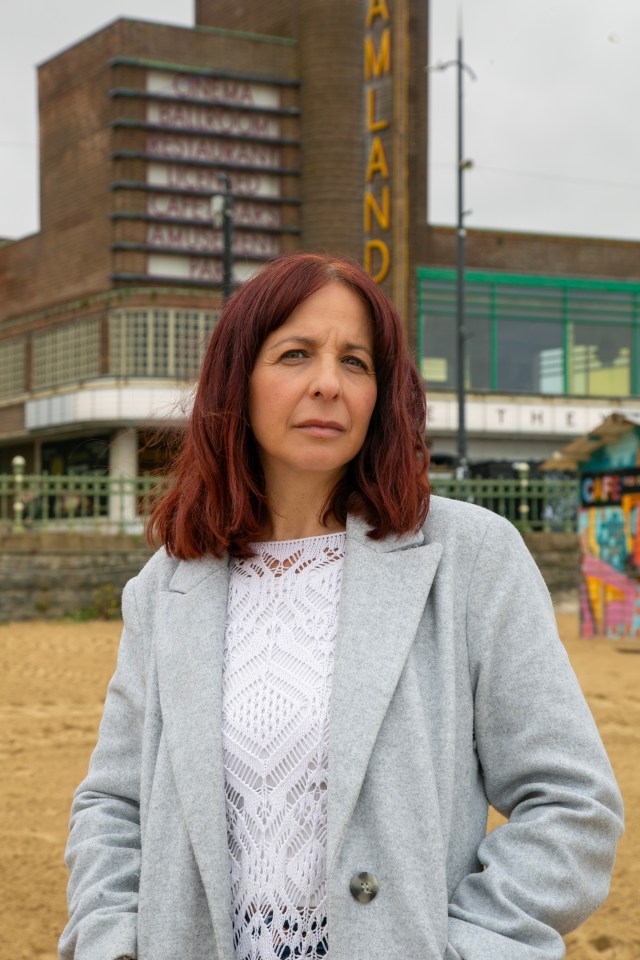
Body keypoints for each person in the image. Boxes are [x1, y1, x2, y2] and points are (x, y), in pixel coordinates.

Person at [60, 252, 623, 960]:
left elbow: (573, 805)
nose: (328, 383)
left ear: (382, 394)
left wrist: (470, 948)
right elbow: (112, 808)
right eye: (295, 354)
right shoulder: (167, 586)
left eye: (355, 362)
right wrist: (110, 944)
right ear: (237, 380)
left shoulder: (470, 557)